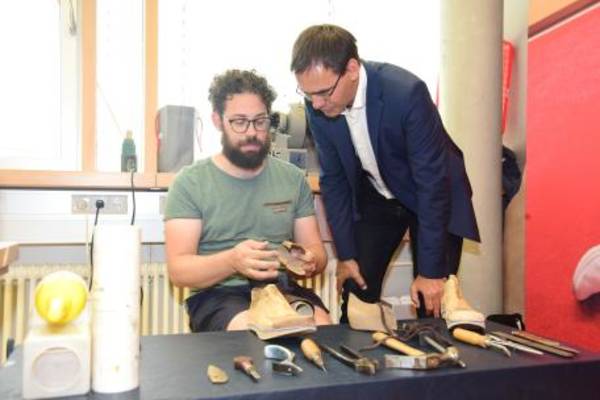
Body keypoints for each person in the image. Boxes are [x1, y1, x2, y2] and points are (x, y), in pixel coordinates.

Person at [291, 24, 480, 319]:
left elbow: (431, 183)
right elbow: (334, 181)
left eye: (324, 93)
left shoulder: (406, 93)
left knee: (431, 301)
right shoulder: (318, 104)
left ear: (352, 69)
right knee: (357, 288)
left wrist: (431, 273)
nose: (315, 104)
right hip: (379, 194)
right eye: (308, 94)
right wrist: (346, 255)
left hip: (431, 194)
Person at [164, 69, 331, 332]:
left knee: (323, 330)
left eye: (260, 121)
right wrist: (232, 261)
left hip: (280, 288)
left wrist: (310, 261)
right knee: (255, 335)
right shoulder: (190, 183)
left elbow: (317, 253)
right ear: (218, 121)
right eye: (239, 122)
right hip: (217, 294)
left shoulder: (293, 179)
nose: (252, 132)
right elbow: (179, 270)